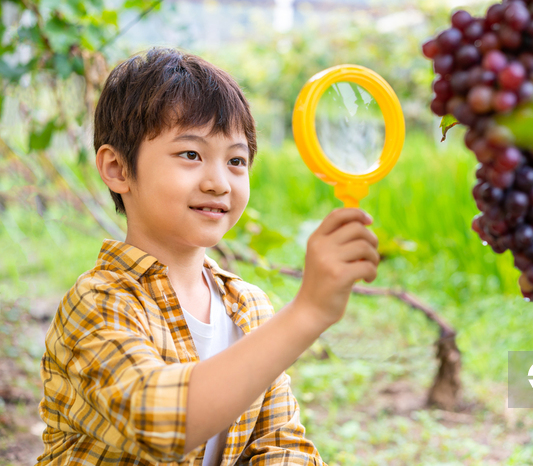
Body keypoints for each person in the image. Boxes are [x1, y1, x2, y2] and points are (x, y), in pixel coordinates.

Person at [36, 47, 380, 466]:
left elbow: (281, 446)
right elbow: (155, 421)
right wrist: (307, 312)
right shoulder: (98, 304)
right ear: (118, 169)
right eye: (191, 155)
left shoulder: (249, 308)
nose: (219, 182)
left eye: (236, 160)